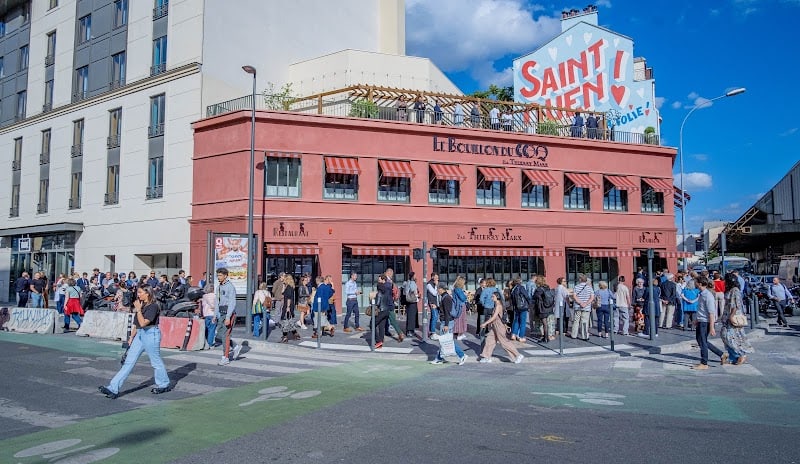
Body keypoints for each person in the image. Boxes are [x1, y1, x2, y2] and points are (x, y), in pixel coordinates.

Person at [99, 285, 171, 399]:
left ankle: (163, 384)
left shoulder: (153, 306)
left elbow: (143, 323)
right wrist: (131, 337)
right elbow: (137, 324)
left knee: (155, 361)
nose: (138, 295)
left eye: (140, 292)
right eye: (138, 292)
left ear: (148, 293)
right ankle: (113, 388)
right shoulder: (141, 304)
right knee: (129, 361)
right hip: (140, 334)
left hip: (151, 334)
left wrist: (138, 310)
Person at [479, 291, 524, 364]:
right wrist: (490, 324)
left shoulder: (499, 306)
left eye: (493, 296)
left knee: (504, 342)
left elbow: (494, 317)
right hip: (495, 326)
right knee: (489, 340)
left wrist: (485, 323)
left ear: (497, 297)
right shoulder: (496, 304)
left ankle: (518, 355)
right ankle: (486, 356)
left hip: (499, 326)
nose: (492, 298)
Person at [429, 283, 468, 365]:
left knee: (446, 340)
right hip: (448, 321)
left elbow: (447, 312)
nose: (437, 291)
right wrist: (437, 307)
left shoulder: (446, 298)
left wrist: (446, 325)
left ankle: (461, 355)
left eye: (438, 289)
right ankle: (440, 358)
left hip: (447, 322)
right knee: (445, 340)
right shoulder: (445, 297)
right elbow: (445, 309)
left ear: (441, 289)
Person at [721, 273, 754, 365]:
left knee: (730, 336)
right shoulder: (730, 290)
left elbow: (735, 305)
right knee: (726, 336)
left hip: (732, 316)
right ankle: (734, 356)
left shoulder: (735, 290)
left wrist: (731, 316)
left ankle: (740, 354)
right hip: (727, 315)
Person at [693, 276, 725, 370]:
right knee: (701, 341)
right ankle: (721, 354)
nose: (695, 284)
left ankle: (704, 362)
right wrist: (697, 319)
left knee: (703, 342)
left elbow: (712, 313)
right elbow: (701, 309)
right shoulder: (702, 294)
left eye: (696, 282)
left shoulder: (708, 296)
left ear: (699, 284)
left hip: (705, 322)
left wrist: (712, 327)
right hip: (701, 320)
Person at [216, 268, 242, 365]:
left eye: (220, 275)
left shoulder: (230, 287)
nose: (218, 277)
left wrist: (228, 317)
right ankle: (235, 347)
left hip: (228, 314)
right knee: (219, 335)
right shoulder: (219, 286)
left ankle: (225, 357)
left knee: (225, 336)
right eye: (218, 275)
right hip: (221, 313)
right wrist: (215, 315)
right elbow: (217, 301)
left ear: (225, 276)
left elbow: (232, 303)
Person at [374, 272, 395, 349]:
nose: (378, 281)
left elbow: (379, 299)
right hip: (387, 308)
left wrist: (375, 304)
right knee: (381, 326)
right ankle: (381, 342)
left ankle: (378, 341)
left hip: (381, 309)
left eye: (379, 279)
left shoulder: (380, 287)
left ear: (383, 280)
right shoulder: (389, 286)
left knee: (372, 324)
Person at [570, 274, 594, 340]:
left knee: (576, 321)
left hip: (577, 306)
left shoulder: (576, 287)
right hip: (586, 307)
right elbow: (592, 297)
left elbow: (574, 296)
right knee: (585, 321)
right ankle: (585, 336)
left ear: (580, 280)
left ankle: (574, 335)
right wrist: (585, 303)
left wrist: (580, 303)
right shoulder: (590, 288)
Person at [532, 275, 555, 342]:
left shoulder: (539, 289)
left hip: (542, 308)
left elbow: (534, 297)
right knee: (545, 323)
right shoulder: (547, 287)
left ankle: (546, 338)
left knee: (544, 323)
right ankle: (546, 337)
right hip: (548, 307)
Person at [279, 274, 301, 343]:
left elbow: (288, 298)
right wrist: (283, 285)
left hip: (287, 306)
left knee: (285, 321)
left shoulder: (289, 288)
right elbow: (282, 293)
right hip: (290, 306)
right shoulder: (290, 287)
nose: (283, 280)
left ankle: (285, 337)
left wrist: (287, 307)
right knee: (290, 321)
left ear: (287, 279)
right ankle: (296, 334)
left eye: (285, 279)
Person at [510, 277, 530, 342]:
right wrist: (530, 304)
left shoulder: (513, 289)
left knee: (516, 321)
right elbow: (526, 296)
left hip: (516, 307)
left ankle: (513, 334)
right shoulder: (521, 288)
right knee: (523, 322)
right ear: (520, 281)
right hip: (523, 307)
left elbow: (512, 299)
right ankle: (521, 337)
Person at [451, 276, 468, 341]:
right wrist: (465, 295)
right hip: (460, 305)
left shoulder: (455, 289)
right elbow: (463, 298)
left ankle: (459, 333)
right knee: (461, 320)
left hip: (457, 305)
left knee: (458, 319)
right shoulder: (458, 290)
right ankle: (460, 334)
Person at [403, 272, 419, 338]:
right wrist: (417, 295)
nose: (416, 277)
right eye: (415, 276)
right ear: (413, 276)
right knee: (412, 316)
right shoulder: (412, 283)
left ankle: (409, 330)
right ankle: (410, 331)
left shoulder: (407, 282)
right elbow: (414, 291)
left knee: (410, 315)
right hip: (412, 301)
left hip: (408, 301)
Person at [201, 284, 217, 348]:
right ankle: (210, 344)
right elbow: (214, 305)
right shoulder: (214, 296)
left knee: (207, 329)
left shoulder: (204, 296)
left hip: (206, 314)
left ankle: (206, 342)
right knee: (212, 330)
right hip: (212, 314)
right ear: (212, 289)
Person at [426, 273, 440, 339]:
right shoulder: (429, 284)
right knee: (434, 316)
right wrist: (437, 286)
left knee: (434, 317)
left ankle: (431, 331)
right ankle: (432, 332)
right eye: (436, 277)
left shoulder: (434, 284)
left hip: (436, 303)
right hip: (432, 303)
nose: (437, 279)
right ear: (432, 277)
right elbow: (434, 293)